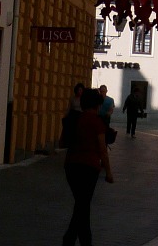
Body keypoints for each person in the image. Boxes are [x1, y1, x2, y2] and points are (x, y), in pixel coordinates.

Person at [61, 87, 113, 246]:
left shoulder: (75, 118)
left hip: (71, 165)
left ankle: (82, 240)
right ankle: (70, 239)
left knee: (82, 204)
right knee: (83, 205)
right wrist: (109, 172)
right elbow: (103, 150)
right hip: (89, 167)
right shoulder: (97, 122)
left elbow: (63, 141)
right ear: (97, 104)